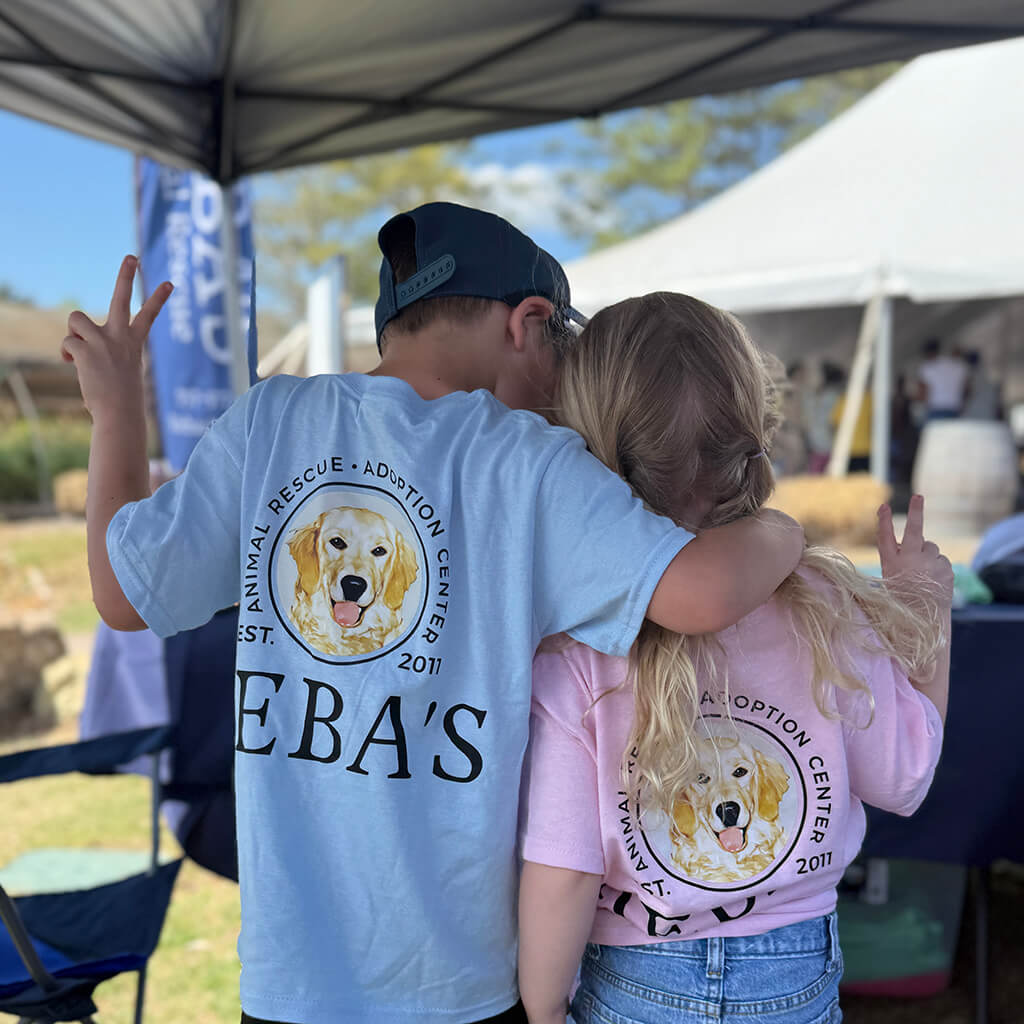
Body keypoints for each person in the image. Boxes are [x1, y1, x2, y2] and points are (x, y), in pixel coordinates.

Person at [61, 205, 804, 1024]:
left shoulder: (266, 425)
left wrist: (116, 412)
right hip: (459, 987)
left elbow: (121, 594)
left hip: (287, 983)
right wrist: (781, 524)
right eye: (565, 351)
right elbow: (702, 595)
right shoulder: (527, 463)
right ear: (529, 324)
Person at [517, 292, 953, 1024]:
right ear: (754, 430)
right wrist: (926, 617)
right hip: (795, 977)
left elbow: (561, 874)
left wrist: (542, 1011)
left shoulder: (577, 639)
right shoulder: (823, 606)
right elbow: (905, 777)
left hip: (633, 981)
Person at [917, 337, 968, 420]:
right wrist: (962, 404)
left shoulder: (927, 367)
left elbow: (923, 391)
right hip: (954, 409)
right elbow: (967, 389)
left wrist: (923, 403)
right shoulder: (958, 365)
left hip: (935, 409)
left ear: (928, 352)